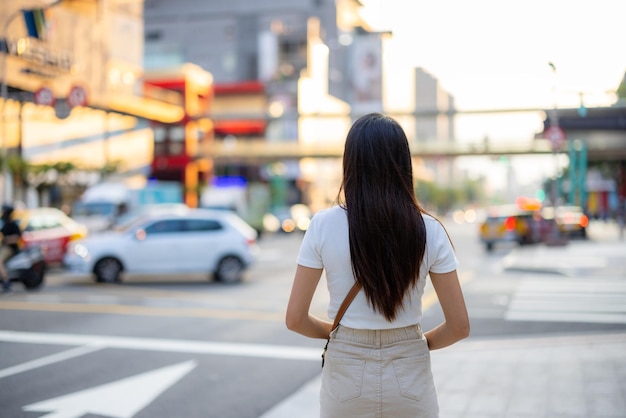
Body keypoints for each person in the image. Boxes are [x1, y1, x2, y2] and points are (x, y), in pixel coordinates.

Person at [286, 113, 470, 417]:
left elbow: (295, 319)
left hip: (346, 372)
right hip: (409, 370)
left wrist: (339, 335)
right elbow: (459, 326)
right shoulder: (429, 230)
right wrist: (414, 345)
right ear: (403, 164)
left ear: (351, 164)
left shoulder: (322, 225)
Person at [0, 205, 22, 293]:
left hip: (10, 248)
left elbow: (17, 237)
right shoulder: (4, 223)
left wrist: (7, 240)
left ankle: (6, 282)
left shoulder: (13, 224)